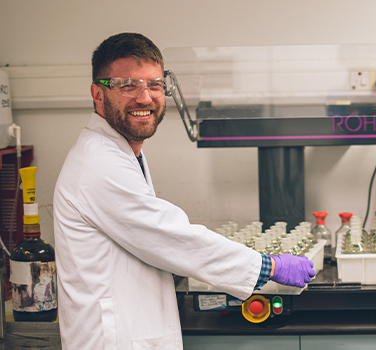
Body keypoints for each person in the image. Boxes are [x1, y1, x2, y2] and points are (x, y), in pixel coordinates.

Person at [53, 32, 316, 349]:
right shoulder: (98, 164)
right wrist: (268, 266)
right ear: (98, 94)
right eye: (128, 85)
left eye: (154, 85)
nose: (145, 97)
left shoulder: (119, 152)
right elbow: (171, 237)